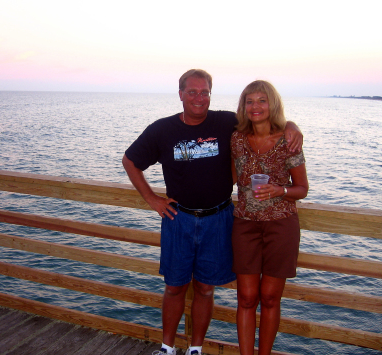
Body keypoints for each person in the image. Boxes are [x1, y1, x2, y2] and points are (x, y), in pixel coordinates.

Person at [122, 69, 303, 355]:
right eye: (192, 92)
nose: (198, 97)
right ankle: (167, 348)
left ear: (210, 94)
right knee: (174, 287)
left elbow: (263, 121)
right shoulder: (163, 129)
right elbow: (130, 160)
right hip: (178, 218)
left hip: (219, 219)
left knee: (206, 289)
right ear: (180, 94)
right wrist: (152, 199)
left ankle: (196, 348)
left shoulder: (226, 122)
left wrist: (293, 126)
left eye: (204, 92)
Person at [230, 80, 309, 355]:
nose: (256, 106)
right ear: (243, 106)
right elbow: (228, 177)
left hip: (281, 225)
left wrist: (280, 190)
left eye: (262, 100)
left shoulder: (289, 141)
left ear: (272, 104)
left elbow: (302, 189)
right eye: (249, 101)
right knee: (247, 297)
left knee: (270, 298)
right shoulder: (236, 139)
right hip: (245, 224)